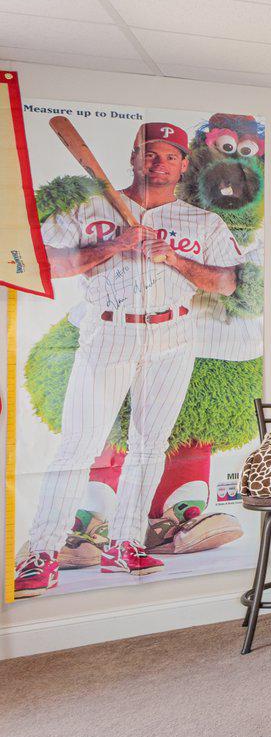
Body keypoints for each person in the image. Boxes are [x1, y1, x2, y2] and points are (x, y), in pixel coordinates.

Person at [12, 122, 241, 596]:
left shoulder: (202, 222)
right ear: (134, 158)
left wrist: (173, 259)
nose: (159, 163)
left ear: (183, 165)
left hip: (174, 335)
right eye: (149, 153)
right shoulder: (91, 208)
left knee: (149, 445)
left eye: (170, 155)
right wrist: (115, 244)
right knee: (79, 444)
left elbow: (225, 283)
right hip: (109, 331)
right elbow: (47, 263)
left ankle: (125, 542)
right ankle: (43, 550)